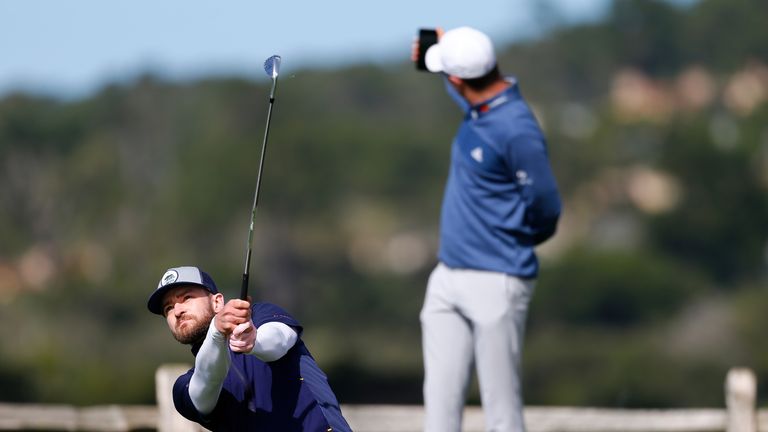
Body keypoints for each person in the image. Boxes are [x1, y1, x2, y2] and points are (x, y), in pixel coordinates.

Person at [412, 27, 562, 432]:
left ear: (459, 80)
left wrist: (509, 243)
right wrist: (434, 48)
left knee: (502, 408)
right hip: (448, 276)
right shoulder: (479, 103)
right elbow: (460, 79)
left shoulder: (516, 128)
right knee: (438, 405)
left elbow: (547, 208)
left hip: (499, 279)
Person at [147, 265, 352, 432]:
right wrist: (217, 332)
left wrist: (254, 341)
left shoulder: (261, 316)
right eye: (168, 308)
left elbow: (280, 339)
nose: (178, 311)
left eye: (186, 298)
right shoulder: (184, 387)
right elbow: (205, 386)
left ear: (218, 302)